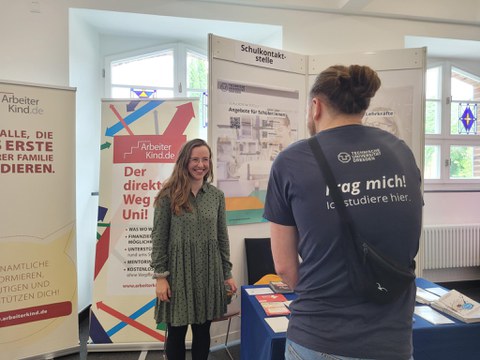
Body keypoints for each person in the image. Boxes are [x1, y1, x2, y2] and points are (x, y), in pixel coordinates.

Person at [263, 65, 423, 360]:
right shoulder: (401, 151)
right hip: (393, 339)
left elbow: (285, 267)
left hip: (320, 336)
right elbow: (408, 240)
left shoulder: (291, 162)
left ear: (316, 106)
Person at [150, 138, 237, 360]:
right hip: (178, 274)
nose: (200, 165)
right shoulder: (168, 195)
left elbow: (222, 237)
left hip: (209, 272)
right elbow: (159, 238)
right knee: (177, 333)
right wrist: (161, 277)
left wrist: (227, 273)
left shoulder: (216, 196)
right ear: (184, 162)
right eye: (195, 159)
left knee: (202, 331)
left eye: (205, 159)